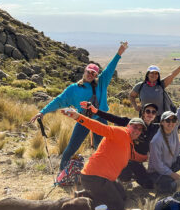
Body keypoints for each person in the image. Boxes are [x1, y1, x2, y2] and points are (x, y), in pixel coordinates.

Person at [30, 42, 129, 170]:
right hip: (83, 120)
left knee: (104, 147)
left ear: (96, 76)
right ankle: (62, 173)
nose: (90, 75)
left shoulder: (102, 83)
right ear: (84, 71)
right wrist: (42, 112)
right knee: (72, 147)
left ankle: (106, 172)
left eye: (93, 73)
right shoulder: (74, 89)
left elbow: (110, 68)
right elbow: (59, 100)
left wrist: (119, 53)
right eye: (89, 72)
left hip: (100, 120)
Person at [80, 101, 180, 188]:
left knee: (149, 184)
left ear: (155, 115)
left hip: (145, 159)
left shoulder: (156, 127)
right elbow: (113, 118)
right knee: (136, 178)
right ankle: (124, 179)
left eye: (153, 112)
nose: (150, 114)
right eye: (148, 111)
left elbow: (175, 125)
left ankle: (179, 180)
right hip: (130, 159)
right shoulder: (131, 124)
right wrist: (96, 111)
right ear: (143, 113)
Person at [61, 107, 145, 210]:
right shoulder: (121, 132)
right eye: (135, 127)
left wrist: (147, 158)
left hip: (106, 178)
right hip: (95, 177)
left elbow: (134, 156)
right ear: (128, 126)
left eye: (140, 129)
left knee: (123, 196)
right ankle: (82, 203)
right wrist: (78, 117)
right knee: (117, 206)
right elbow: (100, 128)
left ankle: (86, 194)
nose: (137, 130)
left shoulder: (129, 142)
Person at [148, 87, 180, 193]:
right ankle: (171, 183)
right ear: (161, 122)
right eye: (167, 120)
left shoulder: (174, 126)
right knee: (169, 187)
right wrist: (173, 175)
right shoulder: (156, 141)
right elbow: (158, 165)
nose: (171, 122)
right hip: (157, 171)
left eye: (173, 120)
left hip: (171, 164)